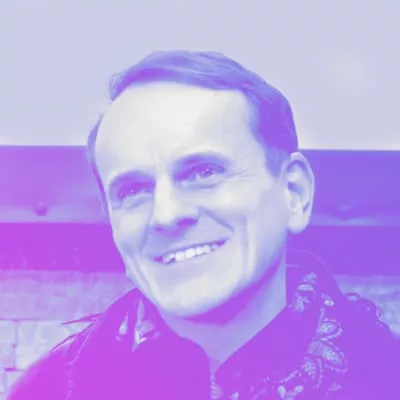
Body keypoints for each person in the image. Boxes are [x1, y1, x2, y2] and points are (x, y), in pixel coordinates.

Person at [7, 51, 400, 400]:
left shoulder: (387, 376)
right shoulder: (48, 390)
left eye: (203, 172)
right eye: (133, 189)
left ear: (293, 192)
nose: (166, 214)